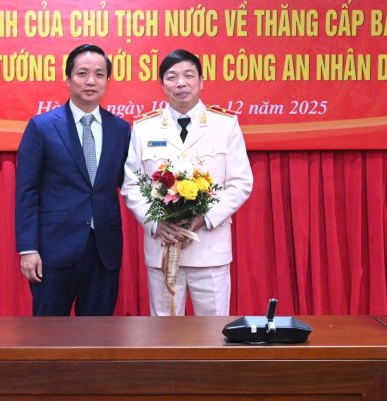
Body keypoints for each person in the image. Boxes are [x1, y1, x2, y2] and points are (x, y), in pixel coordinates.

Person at [121, 49, 252, 316]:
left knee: (214, 335)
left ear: (201, 81)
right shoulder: (144, 128)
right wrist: (156, 222)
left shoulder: (225, 125)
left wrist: (205, 216)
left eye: (188, 75)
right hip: (163, 249)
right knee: (163, 337)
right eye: (172, 77)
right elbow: (132, 184)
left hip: (209, 248)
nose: (181, 83)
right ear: (162, 85)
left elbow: (241, 182)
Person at [15, 44, 131, 316]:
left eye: (99, 74)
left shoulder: (121, 129)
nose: (91, 81)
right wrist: (27, 248)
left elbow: (131, 185)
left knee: (97, 339)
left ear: (107, 81)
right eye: (82, 73)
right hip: (53, 251)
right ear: (68, 79)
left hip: (104, 251)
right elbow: (26, 192)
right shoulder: (42, 127)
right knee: (49, 339)